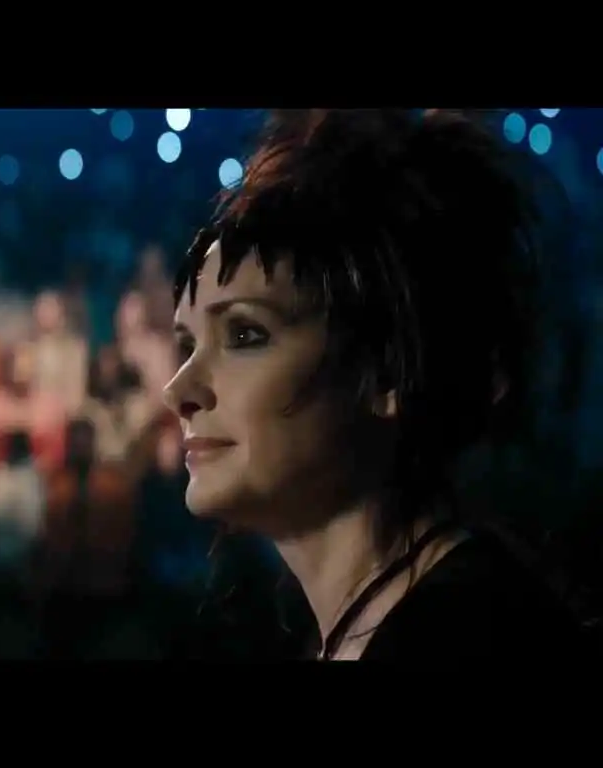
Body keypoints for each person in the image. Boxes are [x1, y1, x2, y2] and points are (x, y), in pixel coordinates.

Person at [162, 109, 589, 660]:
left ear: (386, 370)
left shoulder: (470, 635)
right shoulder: (388, 621)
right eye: (187, 345)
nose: (178, 390)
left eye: (245, 334)